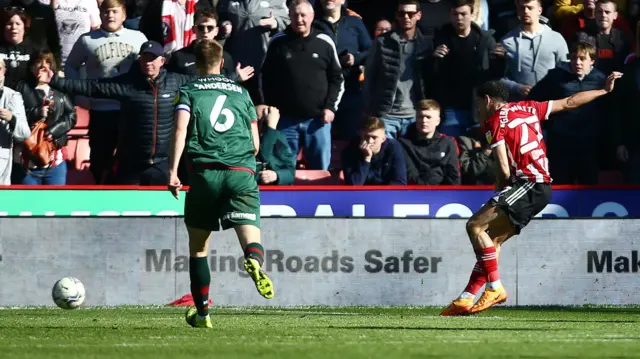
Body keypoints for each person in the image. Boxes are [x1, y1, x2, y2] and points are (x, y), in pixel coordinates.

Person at [441, 74, 621, 316]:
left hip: (528, 183)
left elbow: (503, 168)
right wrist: (603, 91)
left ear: (487, 100)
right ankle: (467, 297)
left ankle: (494, 287)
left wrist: (500, 189)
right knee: (491, 241)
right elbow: (569, 102)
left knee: (475, 226)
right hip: (541, 186)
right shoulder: (529, 107)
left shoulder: (495, 122)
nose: (479, 110)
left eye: (478, 105)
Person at [168, 38, 274, 329]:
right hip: (241, 171)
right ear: (222, 63)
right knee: (251, 235)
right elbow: (254, 144)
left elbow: (180, 129)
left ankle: (202, 314)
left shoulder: (188, 91)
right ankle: (253, 258)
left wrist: (173, 171)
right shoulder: (242, 93)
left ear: (196, 65)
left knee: (199, 248)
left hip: (205, 173)